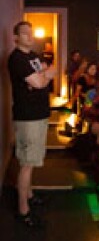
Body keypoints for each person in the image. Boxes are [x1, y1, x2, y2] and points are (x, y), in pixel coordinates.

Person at [7, 21, 58, 228]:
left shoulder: (34, 56)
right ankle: (23, 210)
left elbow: (47, 76)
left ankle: (28, 195)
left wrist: (41, 77)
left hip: (40, 113)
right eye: (24, 33)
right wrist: (42, 77)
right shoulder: (16, 58)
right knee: (27, 163)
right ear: (16, 38)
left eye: (31, 32)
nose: (30, 36)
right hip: (28, 117)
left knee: (33, 159)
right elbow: (39, 82)